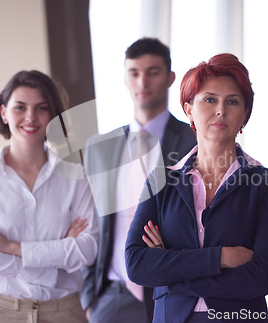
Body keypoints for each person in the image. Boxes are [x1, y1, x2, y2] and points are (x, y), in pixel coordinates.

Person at [125, 53, 268, 323]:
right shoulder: (160, 181)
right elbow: (137, 264)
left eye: (232, 101)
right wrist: (220, 257)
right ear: (189, 108)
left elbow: (261, 279)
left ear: (244, 114)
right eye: (210, 99)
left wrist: (172, 277)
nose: (221, 110)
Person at [0, 70, 98, 323]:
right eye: (20, 107)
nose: (30, 117)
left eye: (41, 108)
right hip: (0, 310)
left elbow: (87, 250)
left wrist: (8, 246)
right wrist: (55, 257)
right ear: (4, 112)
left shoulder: (76, 177)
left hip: (64, 311)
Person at [80, 38, 197, 323]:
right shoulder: (100, 148)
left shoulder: (194, 141)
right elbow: (90, 221)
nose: (142, 81)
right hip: (111, 296)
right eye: (134, 72)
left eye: (153, 71)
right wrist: (89, 297)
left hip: (174, 290)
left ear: (170, 78)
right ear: (125, 78)